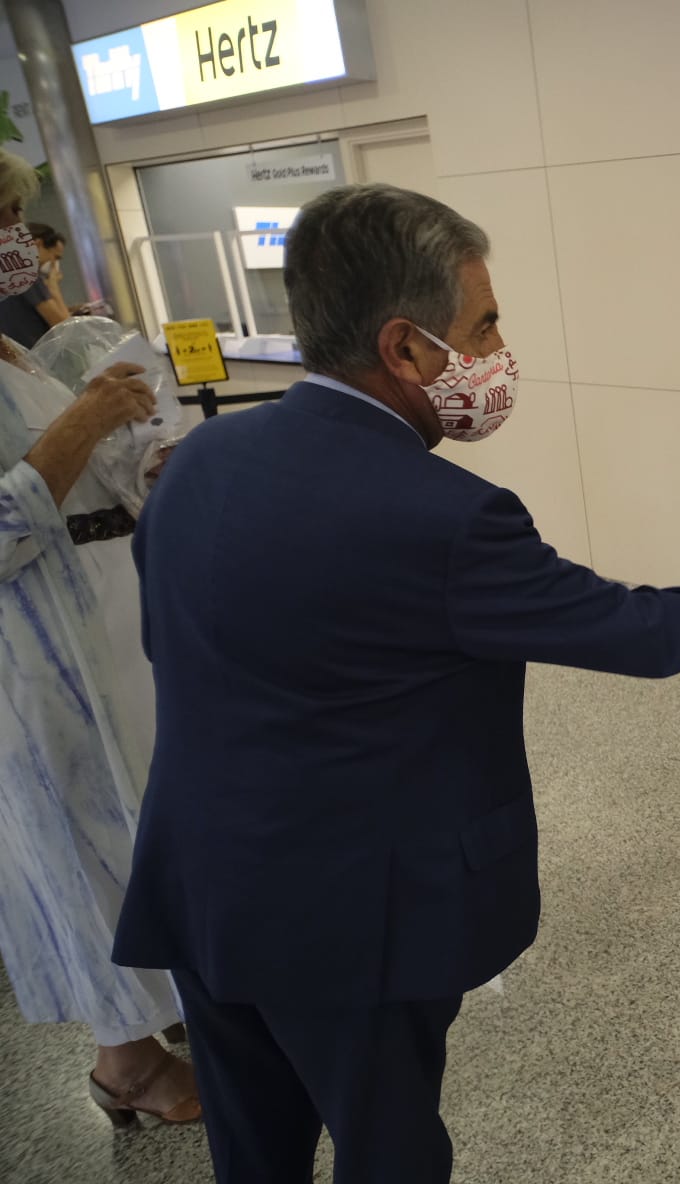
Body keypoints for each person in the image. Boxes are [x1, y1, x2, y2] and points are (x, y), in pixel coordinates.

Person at [111, 182, 680, 1183]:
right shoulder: (445, 515)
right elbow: (636, 630)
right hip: (348, 913)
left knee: (254, 1148)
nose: (500, 352)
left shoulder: (200, 462)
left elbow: (174, 644)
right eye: (486, 324)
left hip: (200, 882)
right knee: (390, 1145)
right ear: (406, 347)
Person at [0, 151, 201, 1126]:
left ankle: (184, 1007)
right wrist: (82, 420)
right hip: (32, 674)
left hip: (115, 632)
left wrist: (141, 456)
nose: (14, 240)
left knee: (146, 831)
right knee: (81, 855)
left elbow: (80, 485)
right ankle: (124, 1058)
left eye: (13, 216)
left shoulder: (20, 352)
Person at [0, 222, 71, 348]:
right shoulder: (29, 277)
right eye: (55, 257)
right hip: (35, 358)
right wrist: (53, 286)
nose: (54, 264)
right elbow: (65, 327)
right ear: (37, 244)